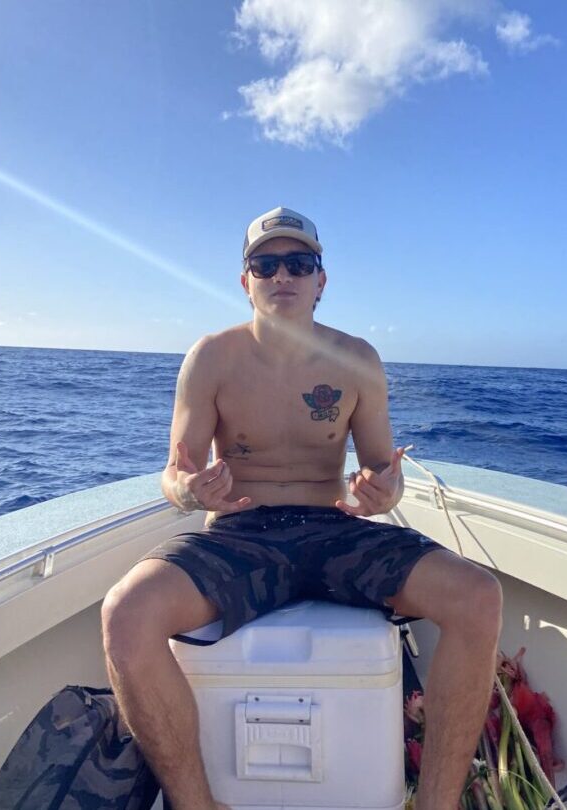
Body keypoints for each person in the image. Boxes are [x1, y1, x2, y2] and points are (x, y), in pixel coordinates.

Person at [101, 206, 503, 810]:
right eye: (266, 264)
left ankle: (435, 804)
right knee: (125, 614)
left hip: (333, 528)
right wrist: (189, 492)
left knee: (479, 597)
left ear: (321, 280)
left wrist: (380, 493)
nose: (282, 274)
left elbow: (380, 473)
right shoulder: (211, 358)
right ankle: (196, 804)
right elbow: (174, 473)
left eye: (299, 262)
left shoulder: (357, 361)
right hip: (240, 531)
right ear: (246, 282)